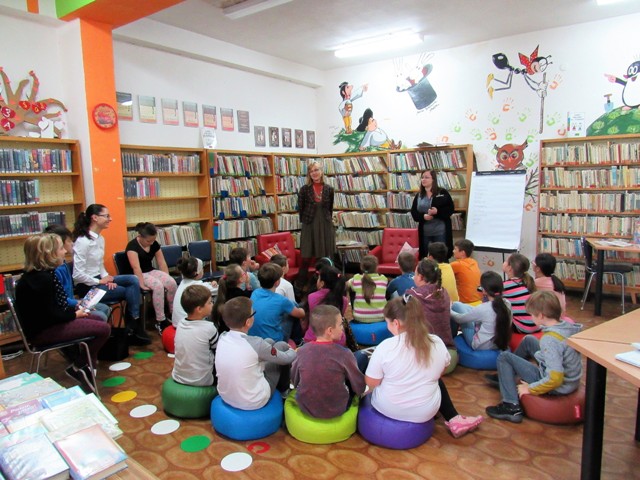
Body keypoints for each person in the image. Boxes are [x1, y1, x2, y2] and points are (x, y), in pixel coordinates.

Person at [365, 296, 483, 437]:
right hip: (426, 411)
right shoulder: (436, 342)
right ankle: (454, 419)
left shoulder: (385, 347)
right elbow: (439, 373)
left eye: (387, 322)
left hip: (388, 408)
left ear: (396, 323)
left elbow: (371, 383)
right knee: (434, 380)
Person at [15, 233, 111, 393]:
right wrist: (75, 315)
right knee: (104, 329)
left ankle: (86, 367)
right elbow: (52, 315)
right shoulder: (41, 280)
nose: (65, 252)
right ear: (48, 254)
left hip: (51, 323)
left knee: (99, 319)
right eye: (60, 249)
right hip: (43, 331)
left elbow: (55, 307)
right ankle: (80, 366)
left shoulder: (44, 275)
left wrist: (77, 310)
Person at [486, 291, 583, 423]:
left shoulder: (550, 340)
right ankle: (506, 376)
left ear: (541, 316)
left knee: (504, 357)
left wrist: (530, 389)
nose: (530, 317)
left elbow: (555, 378)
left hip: (559, 386)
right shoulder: (566, 327)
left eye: (531, 314)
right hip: (570, 380)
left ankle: (511, 406)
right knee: (529, 340)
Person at [72, 204, 150, 346]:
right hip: (88, 287)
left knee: (133, 279)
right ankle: (133, 327)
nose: (110, 219)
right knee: (129, 291)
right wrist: (99, 282)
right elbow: (77, 275)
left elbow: (99, 264)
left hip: (100, 281)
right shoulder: (82, 241)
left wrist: (107, 278)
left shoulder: (100, 239)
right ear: (95, 218)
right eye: (106, 216)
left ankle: (133, 323)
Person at [215, 297, 296, 410]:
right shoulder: (256, 344)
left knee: (269, 342)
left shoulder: (222, 337)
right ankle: (284, 391)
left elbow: (261, 347)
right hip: (254, 400)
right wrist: (293, 350)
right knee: (281, 345)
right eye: (253, 313)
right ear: (248, 322)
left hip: (226, 396)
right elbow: (286, 359)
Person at [292, 305, 365, 419]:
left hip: (306, 407)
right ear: (330, 330)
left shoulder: (301, 351)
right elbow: (359, 387)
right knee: (361, 357)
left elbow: (295, 380)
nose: (342, 328)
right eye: (340, 324)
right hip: (337, 409)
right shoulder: (344, 354)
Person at [44, 224, 110, 323]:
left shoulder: (64, 264)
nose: (72, 244)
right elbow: (60, 299)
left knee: (104, 308)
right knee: (100, 315)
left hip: (72, 303)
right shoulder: (56, 270)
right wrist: (77, 303)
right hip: (67, 308)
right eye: (69, 241)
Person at [125, 222, 178, 334]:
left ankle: (173, 313)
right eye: (148, 241)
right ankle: (161, 320)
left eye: (153, 240)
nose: (151, 243)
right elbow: (136, 268)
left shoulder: (154, 244)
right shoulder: (132, 246)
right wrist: (141, 284)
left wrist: (166, 277)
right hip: (138, 274)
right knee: (158, 286)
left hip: (151, 271)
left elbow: (161, 262)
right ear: (140, 236)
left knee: (171, 282)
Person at [296, 160, 335, 289]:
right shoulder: (304, 189)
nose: (314, 173)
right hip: (309, 225)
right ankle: (299, 286)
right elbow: (301, 208)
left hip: (325, 225)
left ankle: (319, 287)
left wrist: (326, 221)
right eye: (311, 171)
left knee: (322, 258)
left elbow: (329, 208)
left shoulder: (329, 189)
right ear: (309, 174)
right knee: (306, 257)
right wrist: (308, 221)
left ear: (322, 171)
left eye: (316, 170)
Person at [450, 271, 512, 351]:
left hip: (481, 345)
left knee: (456, 306)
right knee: (461, 306)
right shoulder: (507, 303)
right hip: (499, 343)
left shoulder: (483, 308)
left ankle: (450, 339)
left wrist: (449, 310)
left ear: (484, 290)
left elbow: (460, 319)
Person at [172, 284, 218, 386]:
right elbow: (217, 352)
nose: (212, 304)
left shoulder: (180, 323)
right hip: (202, 380)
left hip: (178, 376)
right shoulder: (209, 328)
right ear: (199, 309)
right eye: (210, 302)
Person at [249, 263, 305, 342]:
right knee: (293, 305)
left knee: (289, 306)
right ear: (277, 282)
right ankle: (298, 340)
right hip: (273, 341)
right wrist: (303, 309)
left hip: (253, 338)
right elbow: (301, 314)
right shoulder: (282, 300)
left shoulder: (255, 293)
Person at [406, 258, 454, 349]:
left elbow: (399, 313)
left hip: (425, 350)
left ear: (420, 277)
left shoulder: (412, 295)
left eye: (415, 274)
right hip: (447, 348)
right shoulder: (444, 292)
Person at [410, 169, 455, 259]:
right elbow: (414, 212)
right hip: (425, 232)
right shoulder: (419, 195)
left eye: (427, 177)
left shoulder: (442, 192)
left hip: (440, 231)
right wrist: (423, 216)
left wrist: (437, 212)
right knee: (425, 257)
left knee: (441, 257)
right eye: (422, 177)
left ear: (433, 179)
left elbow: (450, 209)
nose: (423, 179)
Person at [302, 264, 349, 345]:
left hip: (314, 339)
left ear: (322, 283)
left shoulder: (312, 297)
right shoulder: (344, 300)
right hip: (338, 341)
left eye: (319, 278)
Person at [172, 256, 218, 329]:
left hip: (177, 324)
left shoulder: (182, 283)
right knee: (215, 300)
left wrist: (210, 283)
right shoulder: (199, 286)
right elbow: (219, 289)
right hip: (191, 326)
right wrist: (214, 283)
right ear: (196, 272)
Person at [503, 253, 538, 333]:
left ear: (510, 268)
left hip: (523, 327)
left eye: (506, 261)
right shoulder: (527, 282)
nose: (504, 262)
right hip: (537, 325)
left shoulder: (506, 285)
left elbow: (486, 290)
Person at [346, 255, 387, 323]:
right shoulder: (383, 279)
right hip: (381, 317)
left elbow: (345, 285)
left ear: (361, 267)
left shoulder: (356, 278)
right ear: (377, 267)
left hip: (359, 318)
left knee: (352, 290)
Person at [211, 263, 251, 333]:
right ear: (241, 279)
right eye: (244, 273)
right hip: (235, 332)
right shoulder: (241, 296)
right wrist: (247, 285)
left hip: (222, 332)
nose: (246, 274)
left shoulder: (223, 291)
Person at [449, 239, 482, 304]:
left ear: (462, 253)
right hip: (479, 300)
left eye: (455, 249)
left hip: (465, 303)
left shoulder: (457, 265)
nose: (453, 251)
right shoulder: (474, 262)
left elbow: (441, 271)